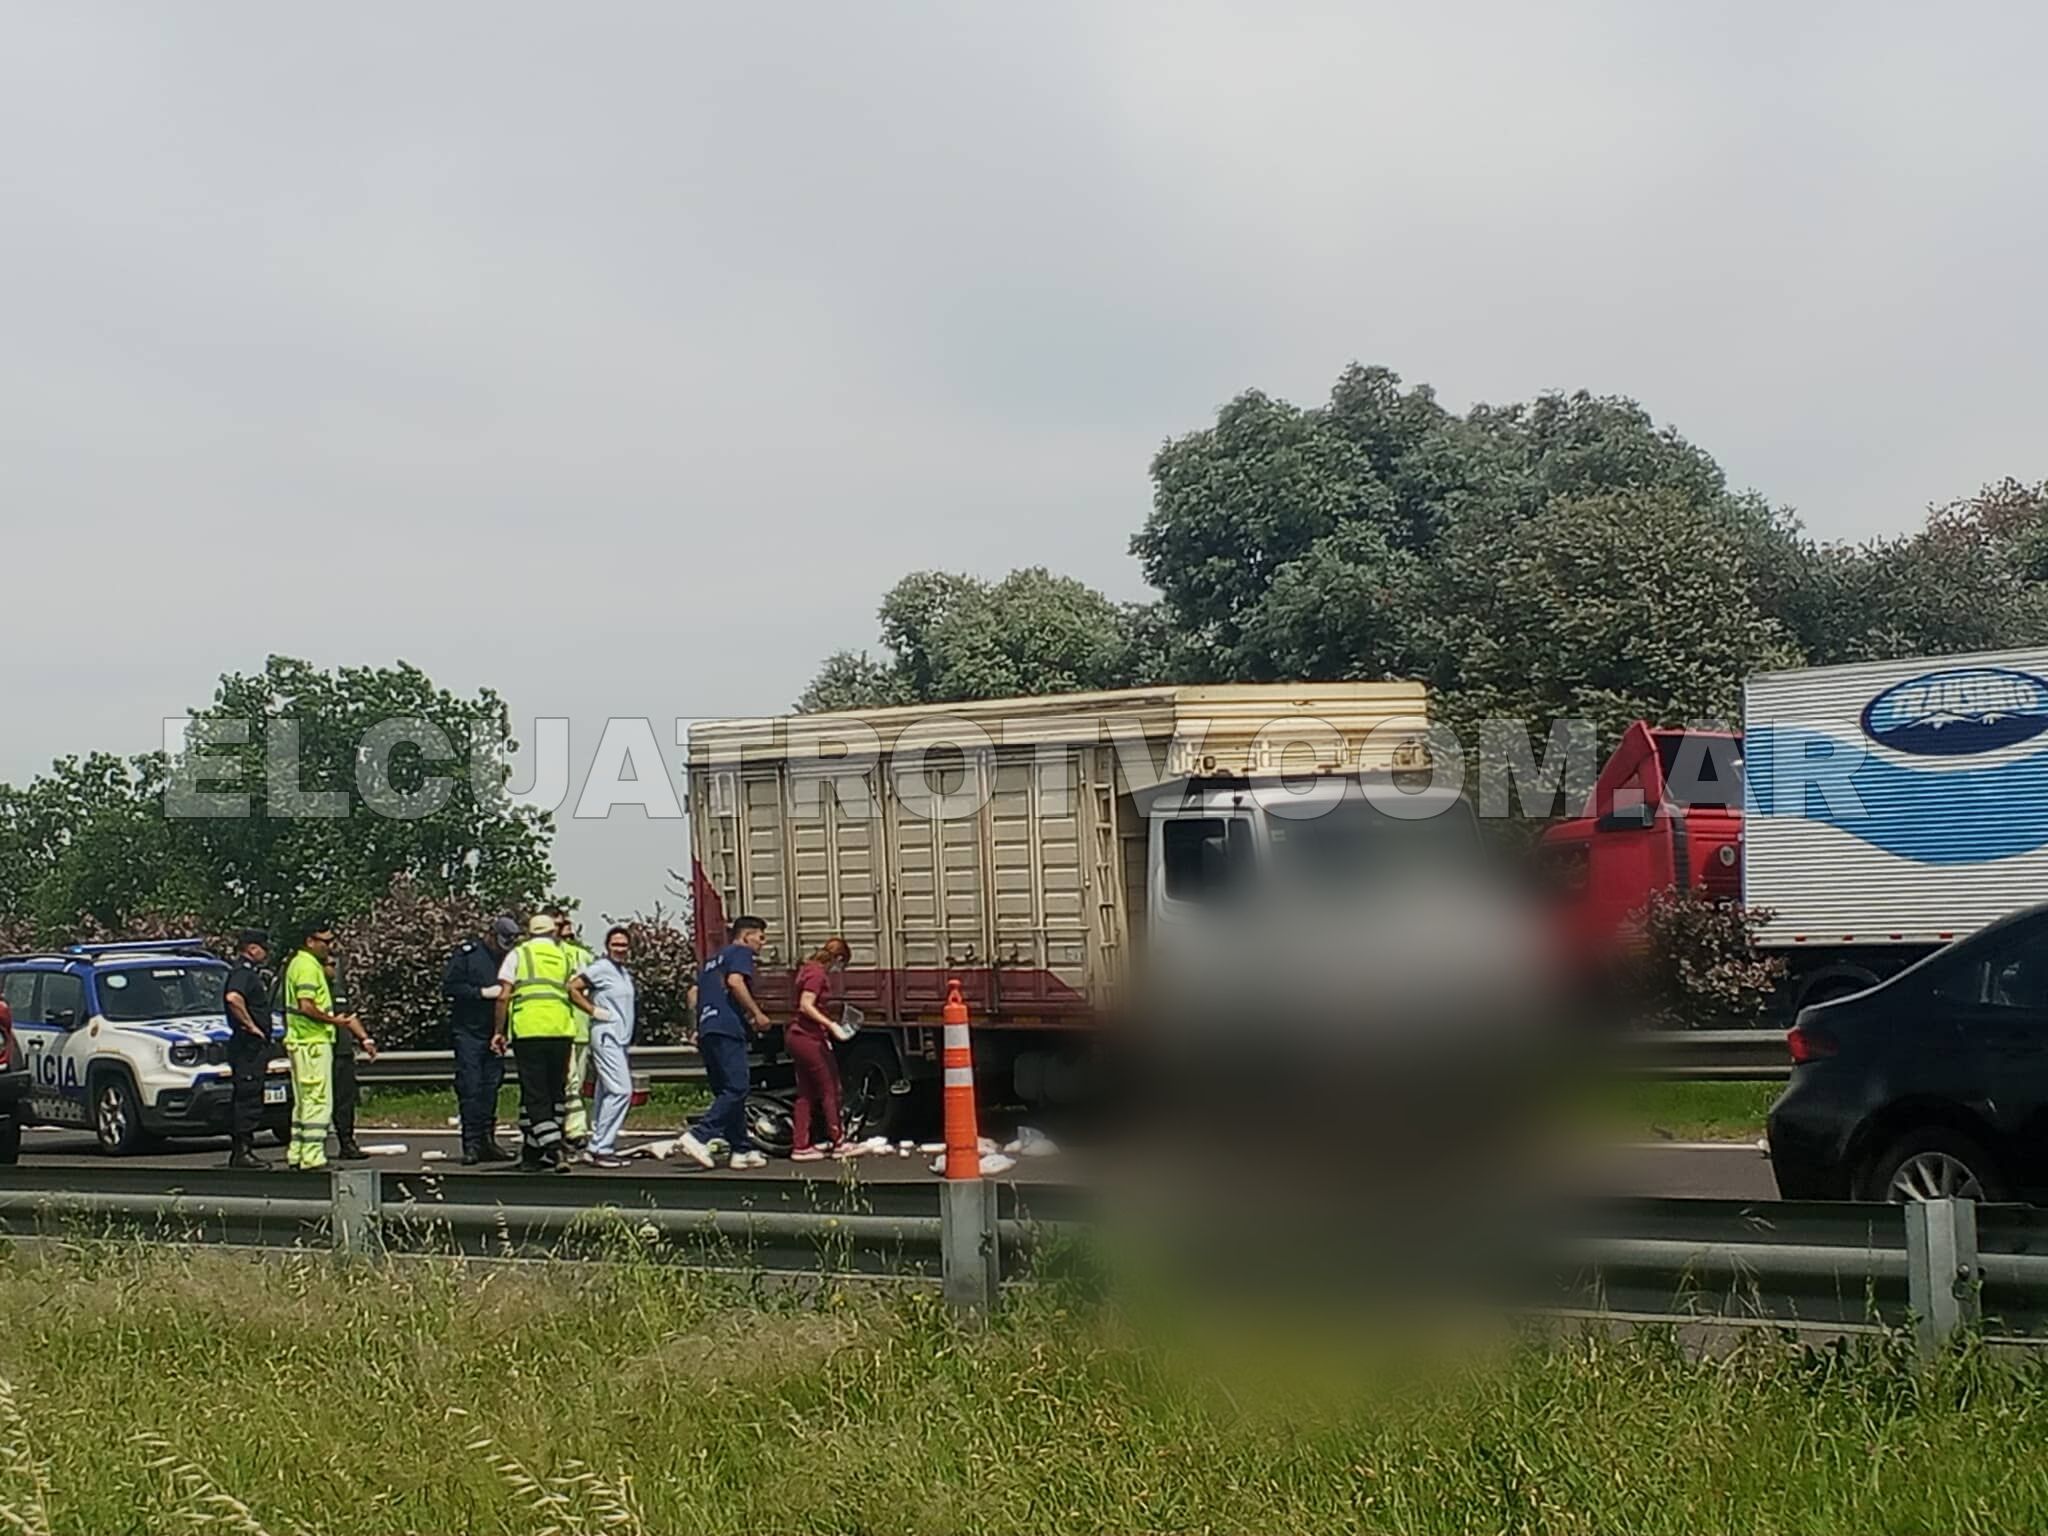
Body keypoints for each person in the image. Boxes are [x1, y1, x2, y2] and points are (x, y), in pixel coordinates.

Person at [679, 916, 774, 1170]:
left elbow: (693, 994)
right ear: (746, 936)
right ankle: (699, 1135)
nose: (762, 943)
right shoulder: (741, 953)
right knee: (737, 1088)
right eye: (760, 937)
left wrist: (695, 1026)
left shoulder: (711, 961)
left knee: (726, 1091)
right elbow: (735, 981)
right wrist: (756, 1014)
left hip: (708, 1028)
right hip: (728, 1027)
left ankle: (741, 1148)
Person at [281, 921, 376, 1171]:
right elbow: (306, 1005)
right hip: (312, 1041)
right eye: (325, 941)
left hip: (302, 1041)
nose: (329, 946)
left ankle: (298, 1152)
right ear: (310, 941)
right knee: (318, 1100)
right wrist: (334, 1021)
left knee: (304, 1102)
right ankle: (313, 1156)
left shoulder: (299, 964)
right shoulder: (307, 967)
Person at [492, 913, 577, 1172]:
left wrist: (499, 1031)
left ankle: (554, 1147)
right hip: (561, 1030)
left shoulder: (519, 955)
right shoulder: (565, 956)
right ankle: (532, 1154)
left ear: (529, 933)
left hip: (529, 1031)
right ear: (553, 932)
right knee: (555, 1093)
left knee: (535, 1095)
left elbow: (503, 996)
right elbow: (576, 990)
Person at [443, 916, 520, 1165]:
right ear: (490, 935)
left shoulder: (510, 957)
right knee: (471, 1087)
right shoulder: (468, 954)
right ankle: (472, 1145)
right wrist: (480, 993)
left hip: (495, 1032)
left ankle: (488, 1141)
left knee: (491, 1087)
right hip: (469, 1031)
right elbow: (450, 987)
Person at [570, 925, 636, 1168]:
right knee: (621, 1091)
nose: (620, 949)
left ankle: (597, 1144)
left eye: (624, 945)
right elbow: (573, 987)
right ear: (607, 946)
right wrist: (593, 1010)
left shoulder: (623, 972)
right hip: (606, 1035)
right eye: (615, 944)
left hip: (620, 1039)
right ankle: (601, 1148)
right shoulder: (601, 968)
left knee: (606, 1091)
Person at [787, 936, 851, 1161]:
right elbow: (806, 1005)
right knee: (830, 1087)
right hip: (809, 1037)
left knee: (806, 1092)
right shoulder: (817, 974)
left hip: (798, 1036)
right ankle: (838, 1141)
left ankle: (801, 1145)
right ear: (838, 958)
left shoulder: (807, 969)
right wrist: (831, 1025)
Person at [221, 928, 276, 1170]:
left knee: (250, 1094)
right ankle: (242, 1152)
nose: (266, 953)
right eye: (263, 948)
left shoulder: (247, 972)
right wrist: (251, 1026)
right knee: (248, 1096)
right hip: (248, 1046)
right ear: (252, 948)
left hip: (251, 1046)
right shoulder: (243, 972)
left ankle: (243, 1149)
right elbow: (234, 998)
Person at [555, 911, 594, 1150]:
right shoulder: (581, 956)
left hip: (573, 1026)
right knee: (571, 1083)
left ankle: (570, 1128)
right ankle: (573, 1129)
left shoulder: (579, 956)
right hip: (569, 1026)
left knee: (572, 1083)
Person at [325, 955, 368, 1161]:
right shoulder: (314, 989)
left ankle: (347, 1143)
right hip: (323, 1051)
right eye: (329, 965)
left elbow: (348, 1016)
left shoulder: (338, 989)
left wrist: (364, 1039)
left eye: (335, 964)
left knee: (345, 1100)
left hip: (343, 1050)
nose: (333, 969)